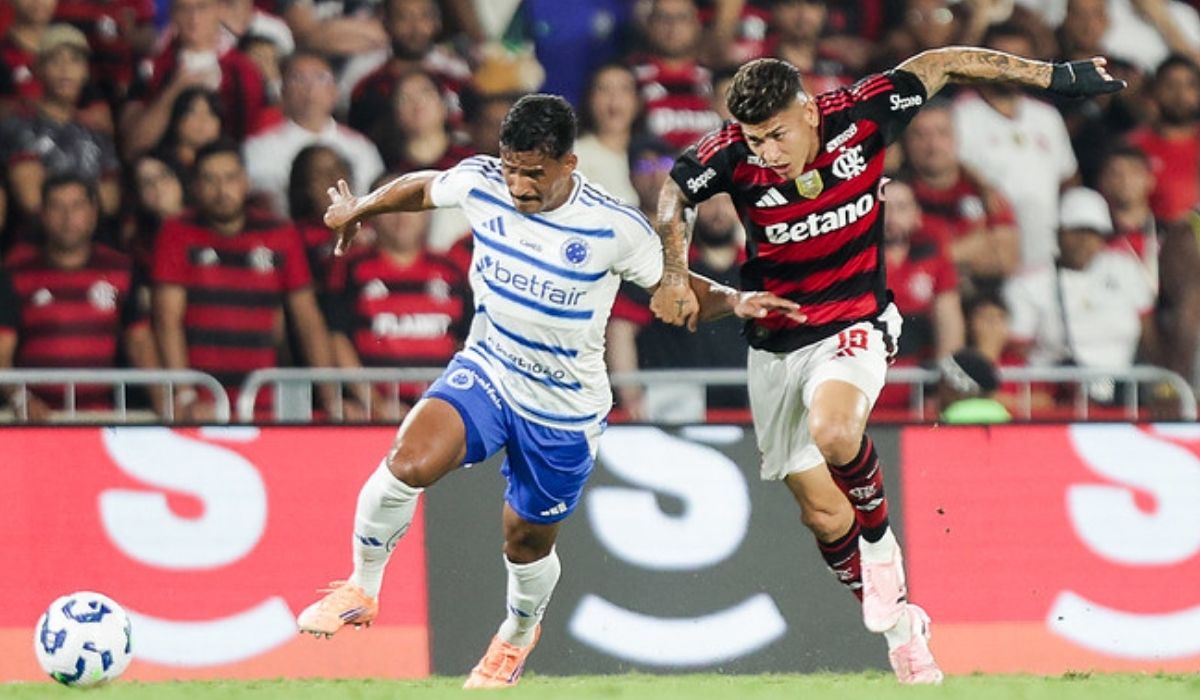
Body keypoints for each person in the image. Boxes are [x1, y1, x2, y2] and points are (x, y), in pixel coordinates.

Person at [650, 49, 1123, 684]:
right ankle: (904, 633)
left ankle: (880, 546)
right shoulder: (732, 154)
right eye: (755, 139)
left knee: (835, 431)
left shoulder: (863, 115)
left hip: (856, 322)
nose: (767, 153)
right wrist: (674, 274)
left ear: (809, 112)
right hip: (775, 342)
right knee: (822, 515)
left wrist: (1053, 77)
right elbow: (673, 194)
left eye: (777, 135)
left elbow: (943, 62)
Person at [294, 94, 800, 687]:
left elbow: (678, 287)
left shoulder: (613, 227)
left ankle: (517, 632)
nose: (518, 185)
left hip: (564, 410)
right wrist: (362, 207)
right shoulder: (483, 182)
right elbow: (427, 186)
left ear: (568, 164)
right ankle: (361, 588)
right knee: (408, 462)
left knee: (525, 541)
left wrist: (736, 301)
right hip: (489, 369)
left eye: (533, 173)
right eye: (511, 168)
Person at [152, 140, 338, 420]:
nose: (221, 190)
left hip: (264, 400)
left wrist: (332, 400)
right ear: (196, 187)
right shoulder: (177, 232)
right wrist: (185, 395)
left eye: (230, 178)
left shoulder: (280, 233)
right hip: (202, 404)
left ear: (245, 182)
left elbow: (308, 320)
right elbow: (167, 320)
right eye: (210, 180)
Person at [0, 174, 159, 421]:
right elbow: (2, 352)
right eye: (57, 207)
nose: (67, 217)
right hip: (35, 419)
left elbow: (140, 343)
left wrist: (165, 403)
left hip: (102, 418)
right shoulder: (15, 272)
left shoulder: (121, 269)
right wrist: (21, 399)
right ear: (42, 214)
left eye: (77, 206)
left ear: (94, 212)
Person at [935, 348, 1012, 424]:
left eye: (943, 381)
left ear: (954, 388)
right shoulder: (1002, 414)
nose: (938, 388)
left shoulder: (951, 417)